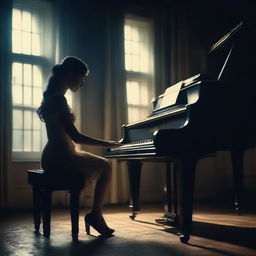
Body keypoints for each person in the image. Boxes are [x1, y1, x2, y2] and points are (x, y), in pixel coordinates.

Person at [37, 56, 121, 236]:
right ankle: (96, 215)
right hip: (61, 156)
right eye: (82, 78)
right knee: (105, 166)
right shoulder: (58, 99)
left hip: (53, 154)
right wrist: (109, 143)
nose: (82, 84)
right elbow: (76, 137)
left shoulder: (52, 97)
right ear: (70, 74)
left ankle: (96, 215)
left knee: (102, 165)